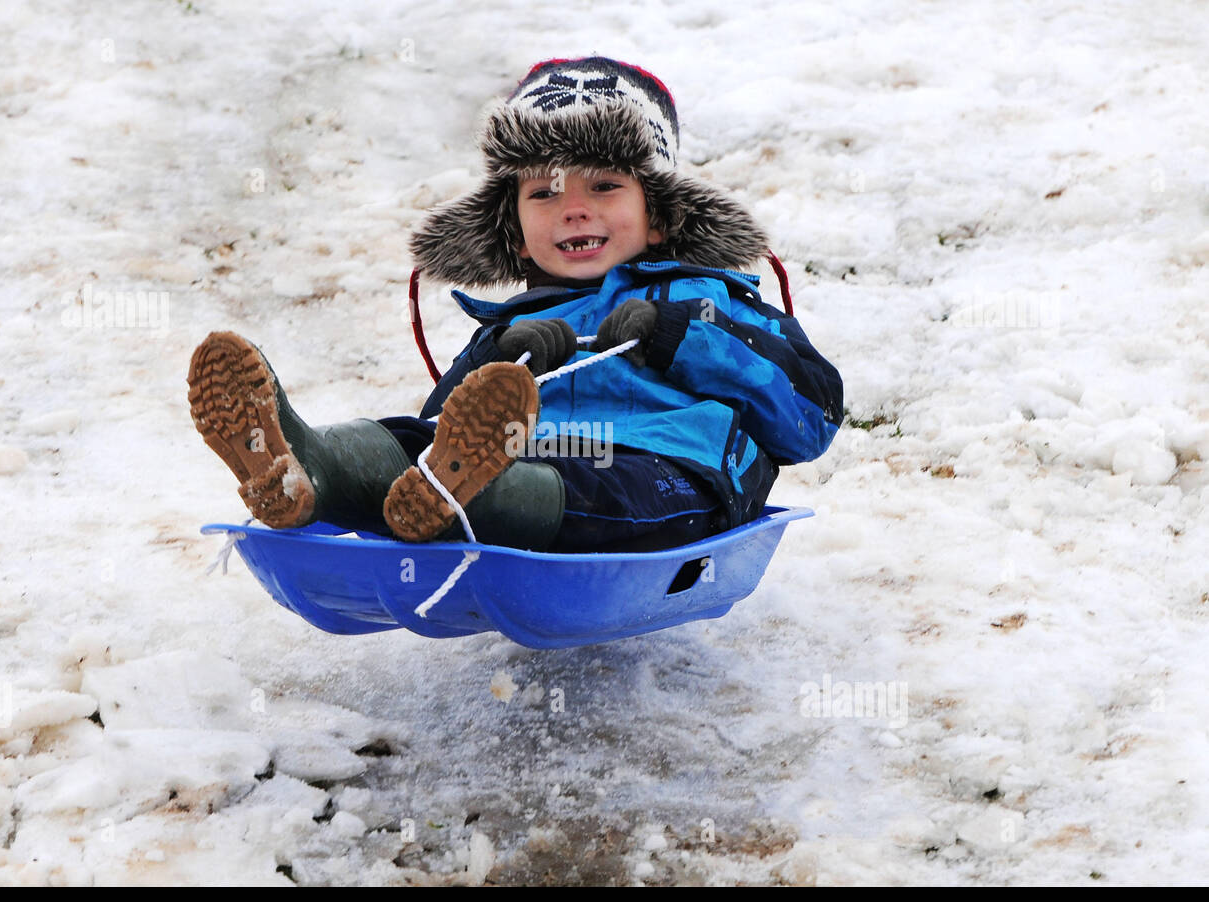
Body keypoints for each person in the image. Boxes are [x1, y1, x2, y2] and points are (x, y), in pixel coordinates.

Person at [188, 56, 843, 553]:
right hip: (522, 449)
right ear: (514, 225)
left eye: (606, 184)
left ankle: (478, 496)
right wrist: (508, 355)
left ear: (661, 216)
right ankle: (305, 465)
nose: (575, 207)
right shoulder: (510, 325)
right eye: (545, 193)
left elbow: (810, 411)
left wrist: (678, 333)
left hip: (668, 469)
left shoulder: (706, 298)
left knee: (604, 487)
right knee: (412, 445)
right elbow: (445, 426)